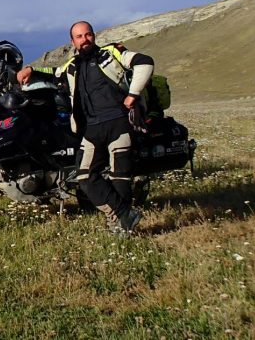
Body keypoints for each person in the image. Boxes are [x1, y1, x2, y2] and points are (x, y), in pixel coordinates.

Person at [17, 21, 154, 234]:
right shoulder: (72, 65)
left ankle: (120, 227)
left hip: (119, 123)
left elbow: (145, 62)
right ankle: (125, 214)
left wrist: (133, 95)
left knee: (120, 177)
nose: (85, 40)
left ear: (94, 36)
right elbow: (54, 73)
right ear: (73, 42)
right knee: (85, 177)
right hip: (91, 128)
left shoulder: (111, 53)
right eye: (79, 37)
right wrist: (31, 70)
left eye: (88, 35)